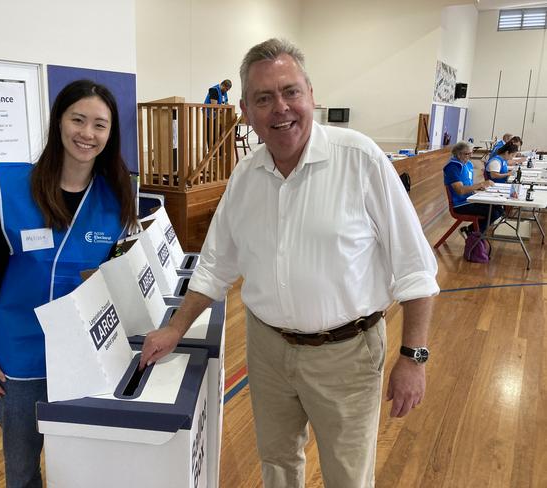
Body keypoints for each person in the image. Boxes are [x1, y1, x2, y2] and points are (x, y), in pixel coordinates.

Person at [141, 38, 439, 488]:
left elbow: (416, 269)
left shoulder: (359, 160)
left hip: (347, 355)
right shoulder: (244, 177)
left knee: (348, 476)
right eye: (264, 98)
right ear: (245, 110)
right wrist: (175, 328)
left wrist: (413, 359)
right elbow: (215, 265)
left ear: (311, 95)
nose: (280, 108)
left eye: (290, 92)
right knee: (277, 464)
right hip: (268, 347)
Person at [0, 79, 136, 488]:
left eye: (100, 124)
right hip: (19, 357)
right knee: (23, 469)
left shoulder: (115, 197)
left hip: (84, 354)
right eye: (77, 119)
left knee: (79, 464)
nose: (87, 133)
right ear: (59, 122)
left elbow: (112, 277)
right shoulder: (14, 189)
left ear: (110, 133)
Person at [444, 141, 503, 234]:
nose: (470, 156)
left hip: (470, 199)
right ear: (458, 154)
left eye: (471, 153)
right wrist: (480, 184)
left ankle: (470, 231)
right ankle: (473, 234)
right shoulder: (453, 167)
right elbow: (460, 190)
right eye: (467, 154)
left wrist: (479, 188)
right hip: (460, 205)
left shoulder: (468, 164)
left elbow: (469, 185)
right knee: (493, 212)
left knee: (498, 208)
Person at [204, 79, 232, 148]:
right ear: (222, 85)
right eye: (226, 89)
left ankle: (219, 150)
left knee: (218, 133)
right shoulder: (214, 90)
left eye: (228, 90)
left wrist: (230, 108)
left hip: (218, 116)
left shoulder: (224, 92)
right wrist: (222, 108)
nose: (226, 91)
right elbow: (214, 105)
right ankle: (211, 151)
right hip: (209, 115)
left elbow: (226, 102)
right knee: (211, 133)